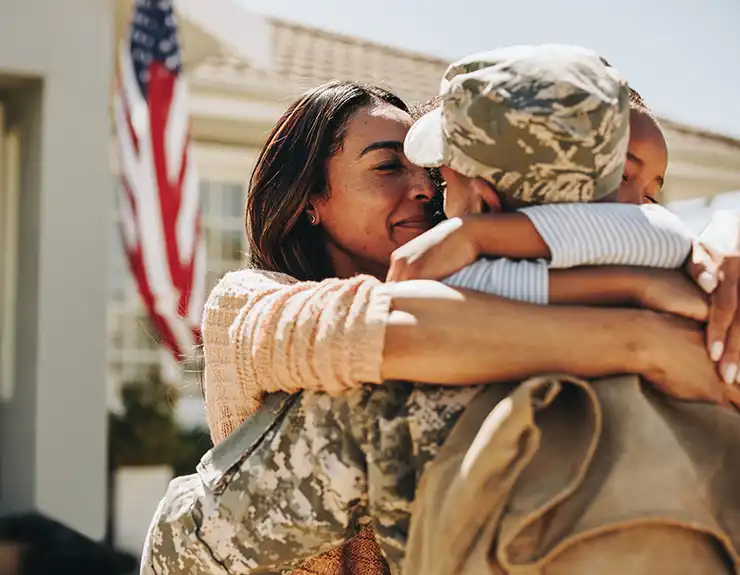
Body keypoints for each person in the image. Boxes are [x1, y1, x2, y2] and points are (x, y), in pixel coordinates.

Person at [141, 69, 740, 574]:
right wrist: (644, 335)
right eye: (386, 169)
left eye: (429, 175)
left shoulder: (460, 277)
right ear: (309, 202)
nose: (424, 191)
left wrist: (716, 251)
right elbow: (388, 330)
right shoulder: (245, 303)